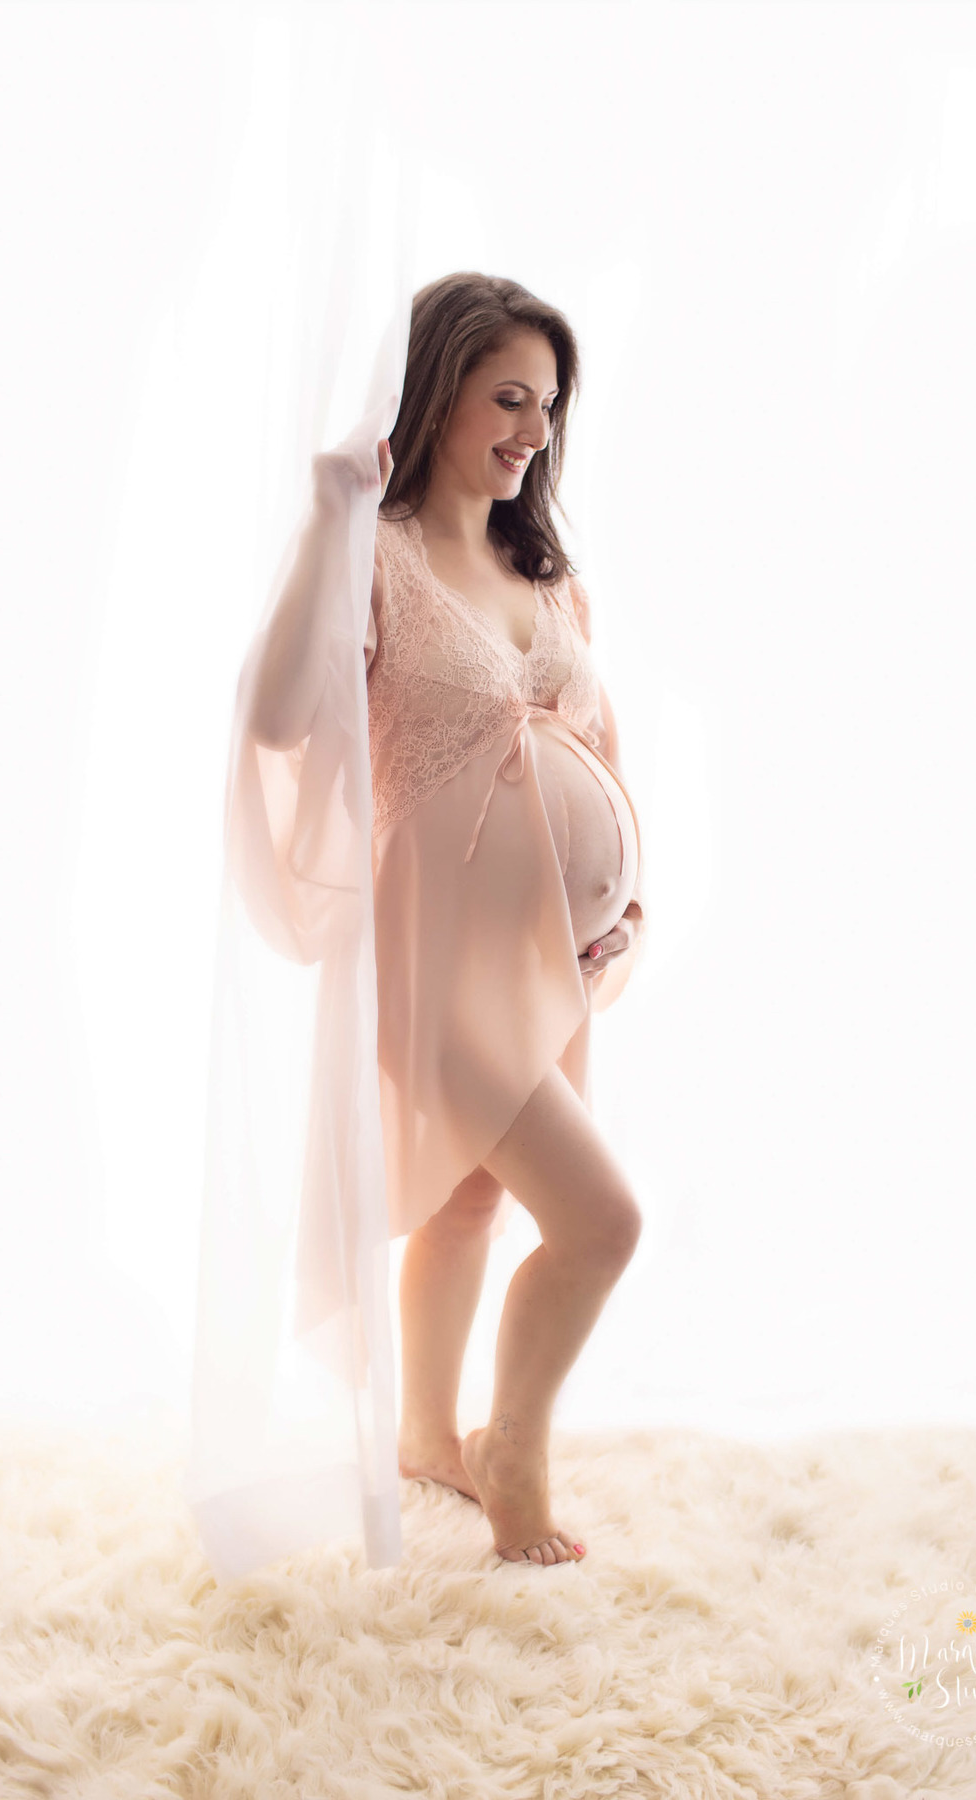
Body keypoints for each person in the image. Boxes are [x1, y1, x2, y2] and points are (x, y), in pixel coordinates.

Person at [247, 273, 648, 1568]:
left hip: (546, 965)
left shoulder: (544, 571)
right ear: (441, 394)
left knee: (472, 1201)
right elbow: (270, 717)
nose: (533, 428)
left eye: (548, 404)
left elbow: (595, 749)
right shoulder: (384, 555)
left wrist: (624, 905)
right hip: (438, 966)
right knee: (601, 1222)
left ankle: (428, 1433)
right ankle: (511, 1452)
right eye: (507, 396)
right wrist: (326, 513)